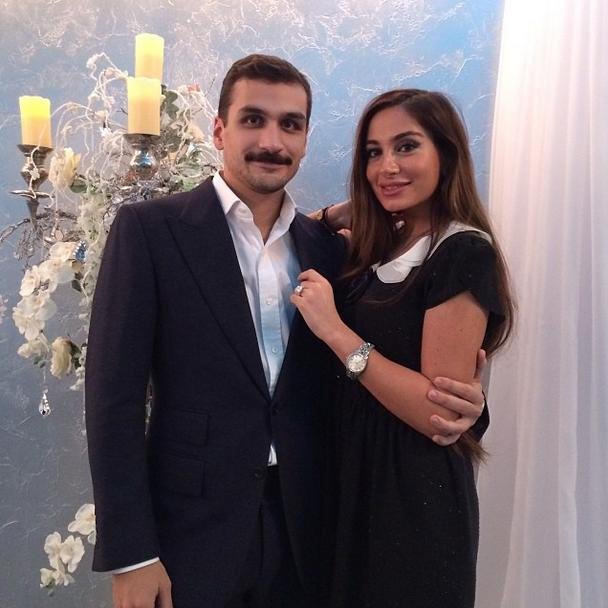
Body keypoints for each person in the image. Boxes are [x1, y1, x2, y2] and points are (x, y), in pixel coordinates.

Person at [85, 57, 486, 608]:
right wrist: (132, 554)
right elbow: (113, 401)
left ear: (305, 139)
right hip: (192, 534)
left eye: (290, 124)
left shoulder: (332, 251)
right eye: (253, 120)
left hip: (314, 530)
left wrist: (469, 403)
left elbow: (378, 361)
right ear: (219, 130)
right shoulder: (151, 232)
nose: (272, 141)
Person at [292, 89, 514, 608]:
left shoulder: (462, 251)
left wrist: (336, 331)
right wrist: (344, 210)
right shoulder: (386, 242)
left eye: (406, 146)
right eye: (374, 153)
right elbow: (301, 229)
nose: (387, 166)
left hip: (412, 497)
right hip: (354, 480)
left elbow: (437, 413)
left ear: (446, 154)